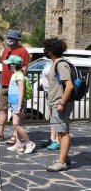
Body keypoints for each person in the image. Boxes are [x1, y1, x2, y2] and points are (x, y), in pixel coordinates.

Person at [0, 29, 29, 144]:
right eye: (9, 37)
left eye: (12, 38)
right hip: (4, 84)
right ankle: (0, 134)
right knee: (1, 109)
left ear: (17, 40)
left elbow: (25, 68)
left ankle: (16, 136)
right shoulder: (6, 51)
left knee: (16, 112)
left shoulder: (23, 51)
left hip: (14, 86)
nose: (9, 40)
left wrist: (18, 81)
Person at [44, 38, 74, 172]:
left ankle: (61, 162)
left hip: (60, 104)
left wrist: (61, 103)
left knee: (63, 132)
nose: (45, 51)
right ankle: (64, 157)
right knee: (60, 132)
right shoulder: (55, 63)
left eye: (47, 49)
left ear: (51, 50)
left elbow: (69, 86)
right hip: (56, 103)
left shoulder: (61, 65)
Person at [3, 55, 36, 154]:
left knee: (16, 124)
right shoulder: (16, 74)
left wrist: (19, 106)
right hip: (14, 102)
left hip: (17, 103)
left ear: (14, 65)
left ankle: (29, 142)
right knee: (16, 124)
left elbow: (21, 92)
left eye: (10, 64)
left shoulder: (20, 75)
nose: (8, 65)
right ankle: (18, 144)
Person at [40, 62, 60, 150]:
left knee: (57, 117)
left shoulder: (59, 63)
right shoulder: (48, 63)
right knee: (52, 116)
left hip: (55, 93)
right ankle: (52, 138)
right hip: (49, 92)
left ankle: (58, 140)